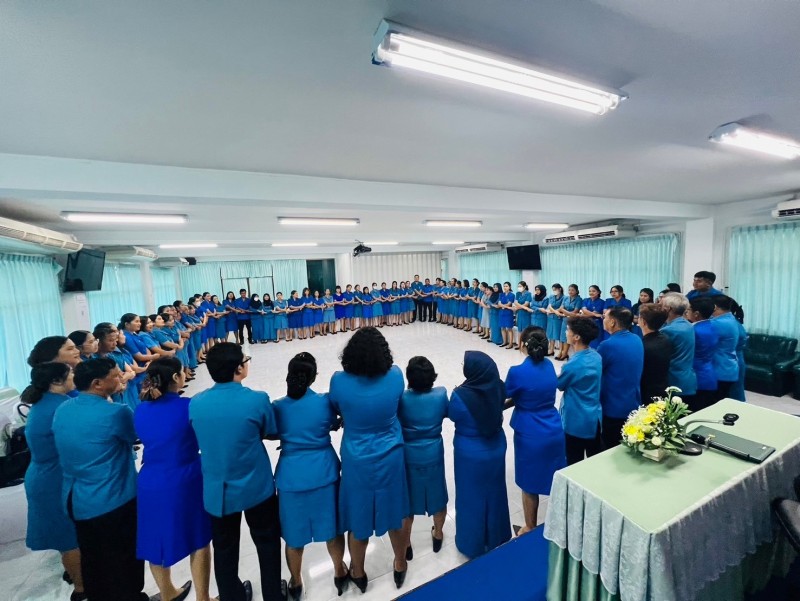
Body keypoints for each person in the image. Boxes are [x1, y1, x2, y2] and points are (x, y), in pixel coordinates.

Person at [189, 343, 286, 601]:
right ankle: (273, 594)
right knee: (267, 542)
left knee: (224, 548)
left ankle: (232, 596)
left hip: (218, 490)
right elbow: (269, 430)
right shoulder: (256, 399)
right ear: (239, 369)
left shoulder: (196, 403)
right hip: (256, 486)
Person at [52, 358, 146, 601]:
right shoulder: (116, 412)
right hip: (112, 498)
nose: (122, 377)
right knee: (125, 559)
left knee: (93, 560)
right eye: (115, 375)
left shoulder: (64, 409)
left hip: (77, 498)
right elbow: (134, 435)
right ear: (97, 383)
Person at [328, 328, 410, 592]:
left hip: (357, 457)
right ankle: (400, 563)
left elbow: (336, 407)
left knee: (358, 516)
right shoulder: (395, 376)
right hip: (391, 453)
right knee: (396, 512)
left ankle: (359, 572)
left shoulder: (339, 381)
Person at [272, 353, 348, 600]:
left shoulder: (278, 407)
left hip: (291, 477)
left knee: (294, 537)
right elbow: (334, 421)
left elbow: (271, 432)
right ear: (314, 377)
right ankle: (339, 570)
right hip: (323, 473)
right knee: (332, 529)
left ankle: (296, 581)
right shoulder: (324, 403)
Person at [135, 358, 213, 601]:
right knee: (198, 538)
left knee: (154, 538)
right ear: (177, 378)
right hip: (184, 477)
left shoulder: (140, 409)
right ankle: (203, 597)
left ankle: (167, 592)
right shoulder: (188, 406)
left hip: (149, 479)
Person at [22, 362, 85, 601]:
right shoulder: (62, 407)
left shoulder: (46, 402)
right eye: (71, 373)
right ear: (56, 381)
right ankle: (82, 588)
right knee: (69, 538)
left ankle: (79, 578)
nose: (74, 376)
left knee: (66, 536)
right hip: (54, 480)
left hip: (46, 475)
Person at [448, 351, 511, 558]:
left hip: (470, 453)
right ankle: (497, 537)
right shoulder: (498, 387)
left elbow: (453, 415)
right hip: (496, 447)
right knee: (495, 493)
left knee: (470, 497)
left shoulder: (460, 396)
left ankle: (472, 544)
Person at [505, 327, 566, 535]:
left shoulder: (517, 372)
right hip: (553, 428)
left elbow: (504, 395)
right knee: (554, 477)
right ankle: (559, 523)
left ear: (523, 345)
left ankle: (529, 527)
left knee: (529, 483)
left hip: (530, 432)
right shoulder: (549, 365)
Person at [398, 356, 449, 558]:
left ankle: (406, 544)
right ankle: (438, 534)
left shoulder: (402, 399)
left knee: (407, 502)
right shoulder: (440, 395)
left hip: (409, 453)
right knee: (438, 496)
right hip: (433, 452)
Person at [557, 317, 603, 465]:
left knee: (573, 461)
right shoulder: (596, 356)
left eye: (568, 330)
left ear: (576, 337)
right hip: (594, 417)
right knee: (594, 459)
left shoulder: (572, 365)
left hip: (576, 420)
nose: (566, 332)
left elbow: (560, 384)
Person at [597, 307, 644, 449]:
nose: (603, 320)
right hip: (632, 402)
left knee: (609, 447)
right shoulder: (636, 339)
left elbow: (595, 371)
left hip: (613, 407)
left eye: (605, 317)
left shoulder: (607, 345)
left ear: (612, 322)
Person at [660, 292, 698, 399]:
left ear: (668, 309)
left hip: (674, 381)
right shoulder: (688, 325)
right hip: (688, 378)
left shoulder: (668, 330)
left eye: (660, 305)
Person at [686, 298, 719, 411]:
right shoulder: (713, 326)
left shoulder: (693, 330)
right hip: (710, 373)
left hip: (697, 377)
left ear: (696, 314)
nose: (687, 312)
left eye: (689, 309)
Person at [638, 304, 674, 405]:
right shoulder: (665, 339)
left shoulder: (643, 346)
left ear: (643, 321)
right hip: (663, 390)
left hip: (647, 395)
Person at [710, 295, 741, 402]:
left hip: (720, 369)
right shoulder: (730, 319)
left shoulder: (719, 323)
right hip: (728, 367)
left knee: (714, 403)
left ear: (714, 307)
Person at [556, 284, 583, 360]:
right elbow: (560, 308)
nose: (570, 291)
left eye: (572, 290)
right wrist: (565, 312)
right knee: (563, 337)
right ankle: (561, 352)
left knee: (570, 337)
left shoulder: (578, 299)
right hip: (565, 320)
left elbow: (575, 312)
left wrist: (564, 311)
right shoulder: (566, 298)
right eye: (569, 290)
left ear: (576, 291)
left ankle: (565, 353)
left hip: (573, 321)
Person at [545, 284, 565, 356]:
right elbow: (550, 306)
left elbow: (561, 308)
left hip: (558, 318)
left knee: (558, 334)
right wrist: (555, 312)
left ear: (560, 289)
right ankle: (551, 350)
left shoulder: (564, 297)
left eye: (555, 289)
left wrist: (553, 311)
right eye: (553, 290)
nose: (554, 291)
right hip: (551, 317)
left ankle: (560, 351)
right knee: (550, 334)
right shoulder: (551, 296)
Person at [513, 282, 533, 348]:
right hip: (520, 313)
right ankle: (519, 344)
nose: (519, 288)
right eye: (518, 286)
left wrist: (518, 307)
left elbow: (526, 304)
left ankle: (525, 344)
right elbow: (515, 302)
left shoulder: (528, 294)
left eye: (520, 286)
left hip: (526, 314)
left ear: (524, 287)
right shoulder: (518, 293)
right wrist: (521, 307)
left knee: (525, 329)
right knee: (519, 329)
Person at [498, 282, 516, 348]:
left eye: (506, 286)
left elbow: (509, 304)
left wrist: (503, 306)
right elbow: (499, 304)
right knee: (502, 328)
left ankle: (510, 344)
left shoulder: (512, 295)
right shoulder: (501, 294)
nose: (505, 287)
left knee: (509, 328)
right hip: (501, 313)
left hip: (508, 313)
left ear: (509, 287)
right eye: (504, 286)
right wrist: (504, 306)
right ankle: (504, 342)